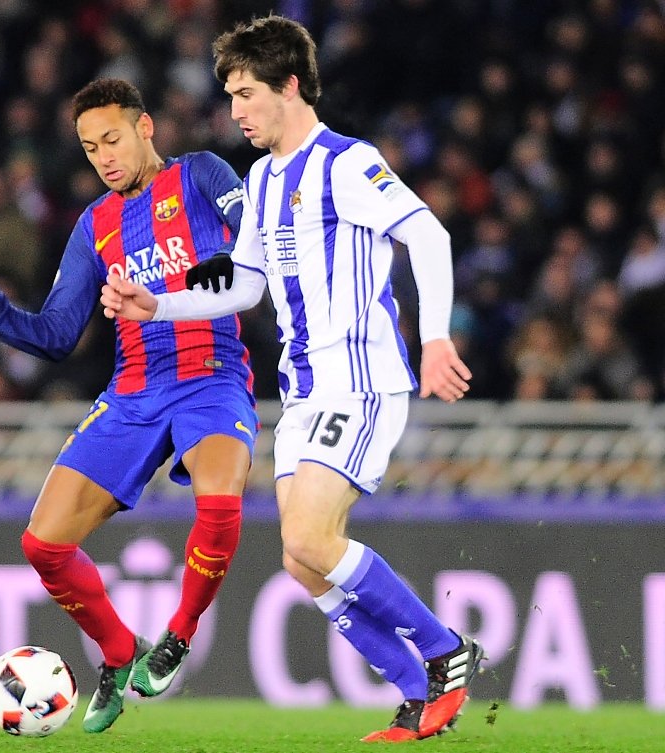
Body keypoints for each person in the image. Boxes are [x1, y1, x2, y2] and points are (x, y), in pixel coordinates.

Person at [101, 16, 484, 743]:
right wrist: (159, 303)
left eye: (246, 93)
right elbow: (244, 284)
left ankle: (445, 653)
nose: (235, 110)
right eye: (231, 95)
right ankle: (414, 698)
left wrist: (435, 338)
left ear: (291, 86)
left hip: (360, 378)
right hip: (304, 390)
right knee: (303, 561)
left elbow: (426, 232)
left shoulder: (345, 163)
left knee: (311, 535)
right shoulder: (264, 178)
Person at [0, 78, 257, 733]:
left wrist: (228, 258)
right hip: (135, 389)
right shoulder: (95, 224)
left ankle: (177, 636)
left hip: (212, 375)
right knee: (42, 544)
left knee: (221, 500)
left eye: (111, 139)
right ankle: (118, 648)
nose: (103, 156)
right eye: (89, 148)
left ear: (146, 128)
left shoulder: (200, 175)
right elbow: (54, 334)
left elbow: (256, 233)